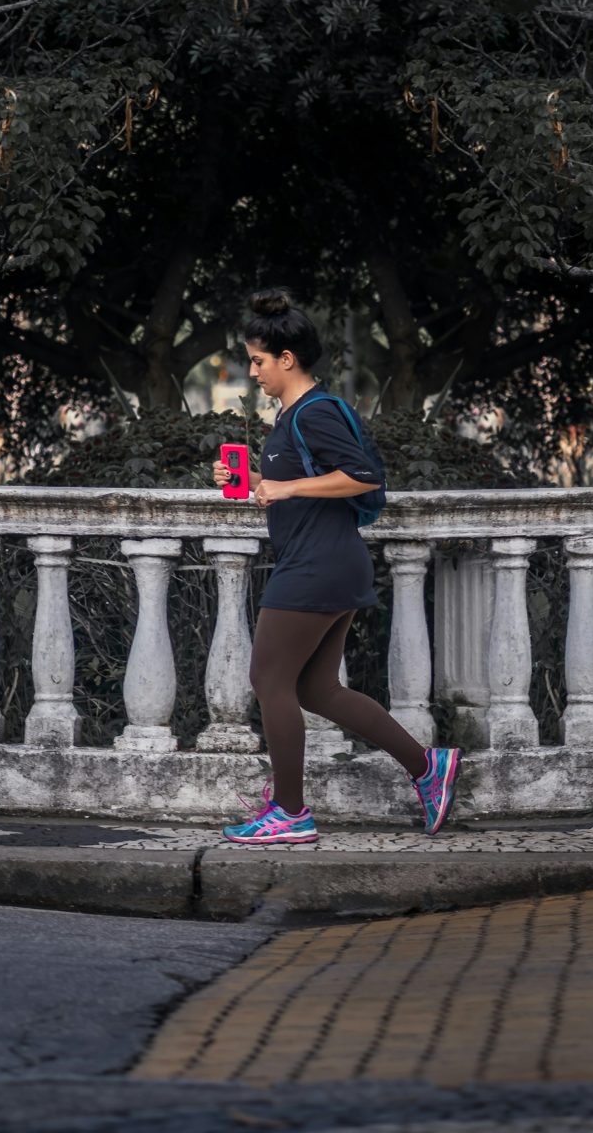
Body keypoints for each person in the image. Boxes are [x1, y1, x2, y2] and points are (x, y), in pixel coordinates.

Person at [212, 288, 460, 844]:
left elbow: (365, 478)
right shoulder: (292, 416)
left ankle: (291, 814)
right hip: (327, 562)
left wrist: (286, 485)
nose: (252, 371)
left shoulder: (316, 411)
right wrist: (254, 484)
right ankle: (428, 767)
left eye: (257, 360)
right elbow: (301, 487)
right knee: (317, 690)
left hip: (317, 566)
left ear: (286, 360)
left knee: (268, 678)